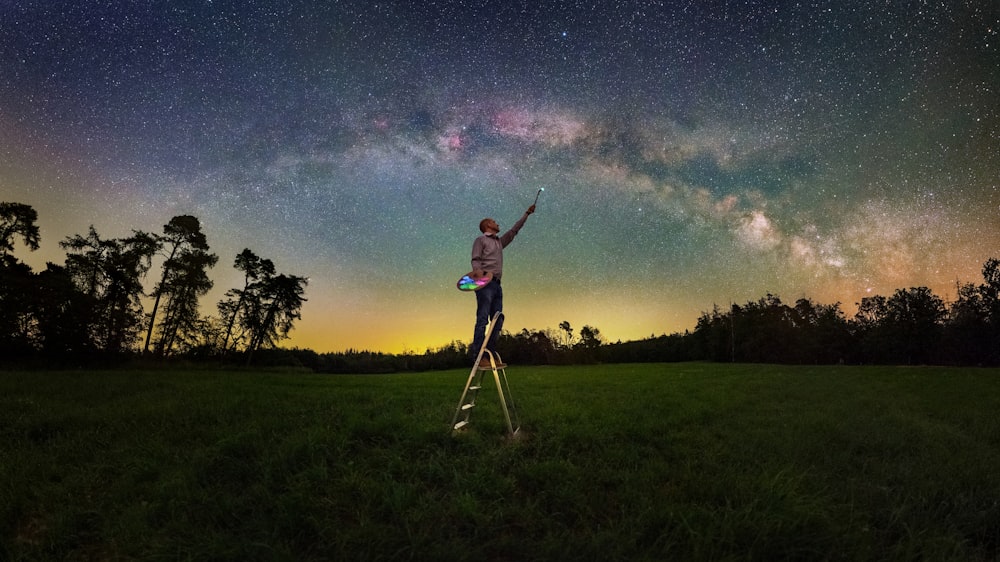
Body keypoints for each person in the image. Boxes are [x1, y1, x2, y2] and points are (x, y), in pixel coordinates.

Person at [469, 204, 536, 367]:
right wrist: (480, 279)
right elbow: (475, 259)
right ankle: (478, 357)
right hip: (485, 284)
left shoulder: (499, 243)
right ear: (487, 226)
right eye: (494, 221)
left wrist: (526, 214)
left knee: (497, 320)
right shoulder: (481, 240)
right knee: (483, 319)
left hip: (498, 285)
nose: (497, 223)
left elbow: (514, 231)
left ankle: (489, 355)